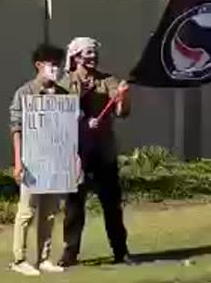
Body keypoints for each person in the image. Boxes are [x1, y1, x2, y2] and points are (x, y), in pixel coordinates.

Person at [57, 37, 132, 267]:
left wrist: (123, 97)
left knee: (111, 205)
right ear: (76, 56)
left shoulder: (108, 80)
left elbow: (121, 112)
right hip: (76, 154)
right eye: (88, 53)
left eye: (94, 53)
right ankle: (70, 253)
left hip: (103, 152)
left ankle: (121, 250)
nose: (92, 57)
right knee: (73, 207)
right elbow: (58, 110)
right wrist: (81, 122)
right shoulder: (64, 80)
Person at [8, 43, 68, 276]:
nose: (55, 68)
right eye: (51, 64)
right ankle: (19, 258)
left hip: (55, 161)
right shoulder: (24, 93)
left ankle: (44, 258)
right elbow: (16, 128)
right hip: (32, 160)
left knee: (50, 212)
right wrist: (18, 161)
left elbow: (67, 131)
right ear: (39, 65)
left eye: (58, 64)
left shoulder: (63, 94)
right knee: (27, 211)